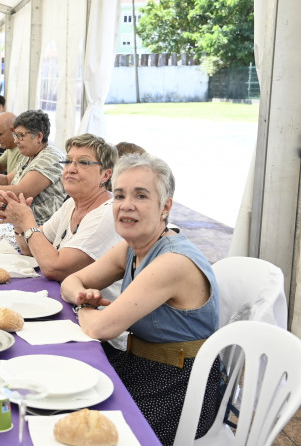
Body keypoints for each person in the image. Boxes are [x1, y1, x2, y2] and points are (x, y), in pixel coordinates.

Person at [60, 153, 220, 445]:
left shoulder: (172, 261)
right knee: (63, 386)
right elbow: (70, 280)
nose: (126, 205)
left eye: (141, 195)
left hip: (179, 387)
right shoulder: (132, 248)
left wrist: (82, 304)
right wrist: (82, 294)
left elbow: (101, 328)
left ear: (165, 207)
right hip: (139, 366)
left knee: (87, 431)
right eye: (119, 195)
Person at [0, 133, 120, 282]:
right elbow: (29, 249)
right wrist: (18, 224)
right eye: (68, 161)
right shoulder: (71, 204)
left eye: (83, 162)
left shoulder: (107, 215)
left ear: (105, 175)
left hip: (90, 305)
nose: (71, 169)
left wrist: (26, 219)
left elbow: (55, 269)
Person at [0, 110, 65, 225]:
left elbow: (21, 192)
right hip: (22, 226)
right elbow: (7, 181)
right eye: (15, 135)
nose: (16, 140)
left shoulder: (50, 158)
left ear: (39, 136)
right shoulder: (30, 155)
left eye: (21, 135)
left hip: (40, 230)